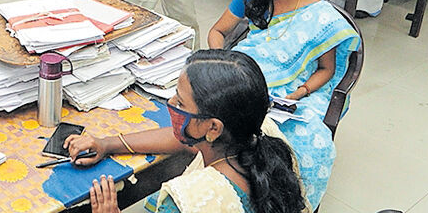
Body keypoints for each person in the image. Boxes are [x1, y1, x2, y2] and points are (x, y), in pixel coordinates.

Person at [207, 0, 360, 207]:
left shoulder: (321, 14)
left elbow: (326, 70)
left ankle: (277, 202)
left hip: (291, 93)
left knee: (305, 143)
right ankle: (219, 187)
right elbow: (217, 31)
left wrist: (298, 94)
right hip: (246, 76)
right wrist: (224, 62)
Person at [67, 50, 308, 213]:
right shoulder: (263, 137)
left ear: (213, 127)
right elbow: (183, 141)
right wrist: (108, 144)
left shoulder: (187, 201)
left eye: (181, 102)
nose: (170, 103)